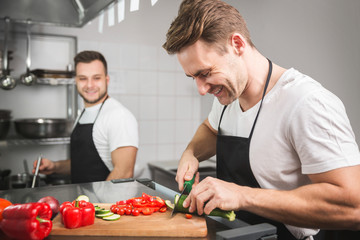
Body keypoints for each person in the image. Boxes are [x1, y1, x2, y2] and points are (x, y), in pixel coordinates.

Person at [162, 1, 360, 240]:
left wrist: (242, 196)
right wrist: (191, 153)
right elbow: (211, 129)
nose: (201, 89)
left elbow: (353, 206)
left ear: (237, 44)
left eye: (205, 73)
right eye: (193, 77)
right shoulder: (228, 96)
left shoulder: (306, 102)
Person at [33, 51, 138, 184]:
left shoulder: (118, 116)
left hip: (103, 203)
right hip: (82, 200)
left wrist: (96, 204)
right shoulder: (84, 112)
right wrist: (55, 166)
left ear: (107, 80)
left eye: (96, 78)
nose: (89, 85)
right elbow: (84, 163)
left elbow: (123, 173)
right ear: (76, 81)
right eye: (83, 78)